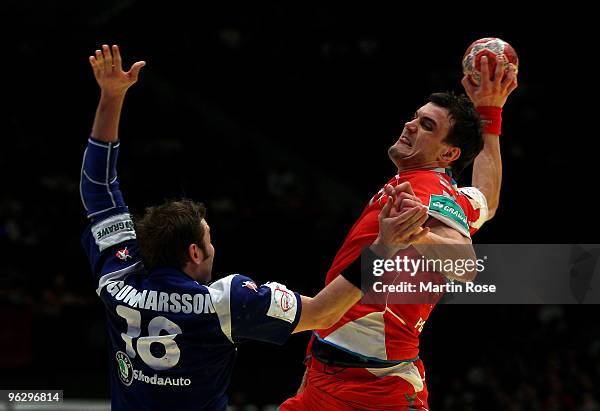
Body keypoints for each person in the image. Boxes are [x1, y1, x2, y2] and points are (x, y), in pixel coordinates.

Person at [80, 44, 430, 411]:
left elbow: (97, 189)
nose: (213, 248)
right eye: (209, 239)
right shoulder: (225, 302)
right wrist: (385, 247)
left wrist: (110, 96)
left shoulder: (118, 276)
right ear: (194, 252)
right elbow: (324, 313)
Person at [280, 55, 518, 410]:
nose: (409, 125)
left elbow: (465, 265)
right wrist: (490, 112)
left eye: (425, 125)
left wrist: (417, 234)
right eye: (415, 117)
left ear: (449, 152)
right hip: (328, 370)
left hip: (375, 389)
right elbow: (488, 197)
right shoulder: (448, 194)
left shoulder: (427, 189)